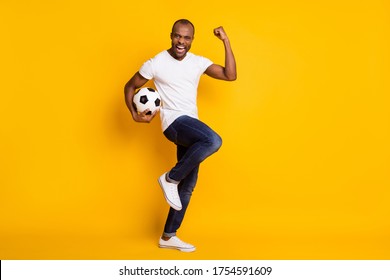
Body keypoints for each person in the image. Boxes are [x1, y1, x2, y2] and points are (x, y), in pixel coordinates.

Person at [124, 19, 236, 252]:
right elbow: (129, 86)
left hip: (190, 125)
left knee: (187, 187)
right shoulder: (156, 62)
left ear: (192, 40)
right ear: (171, 36)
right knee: (213, 140)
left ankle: (168, 236)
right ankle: (169, 178)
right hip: (173, 123)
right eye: (177, 36)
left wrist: (225, 41)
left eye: (186, 38)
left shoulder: (198, 62)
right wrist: (135, 114)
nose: (181, 42)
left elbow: (229, 75)